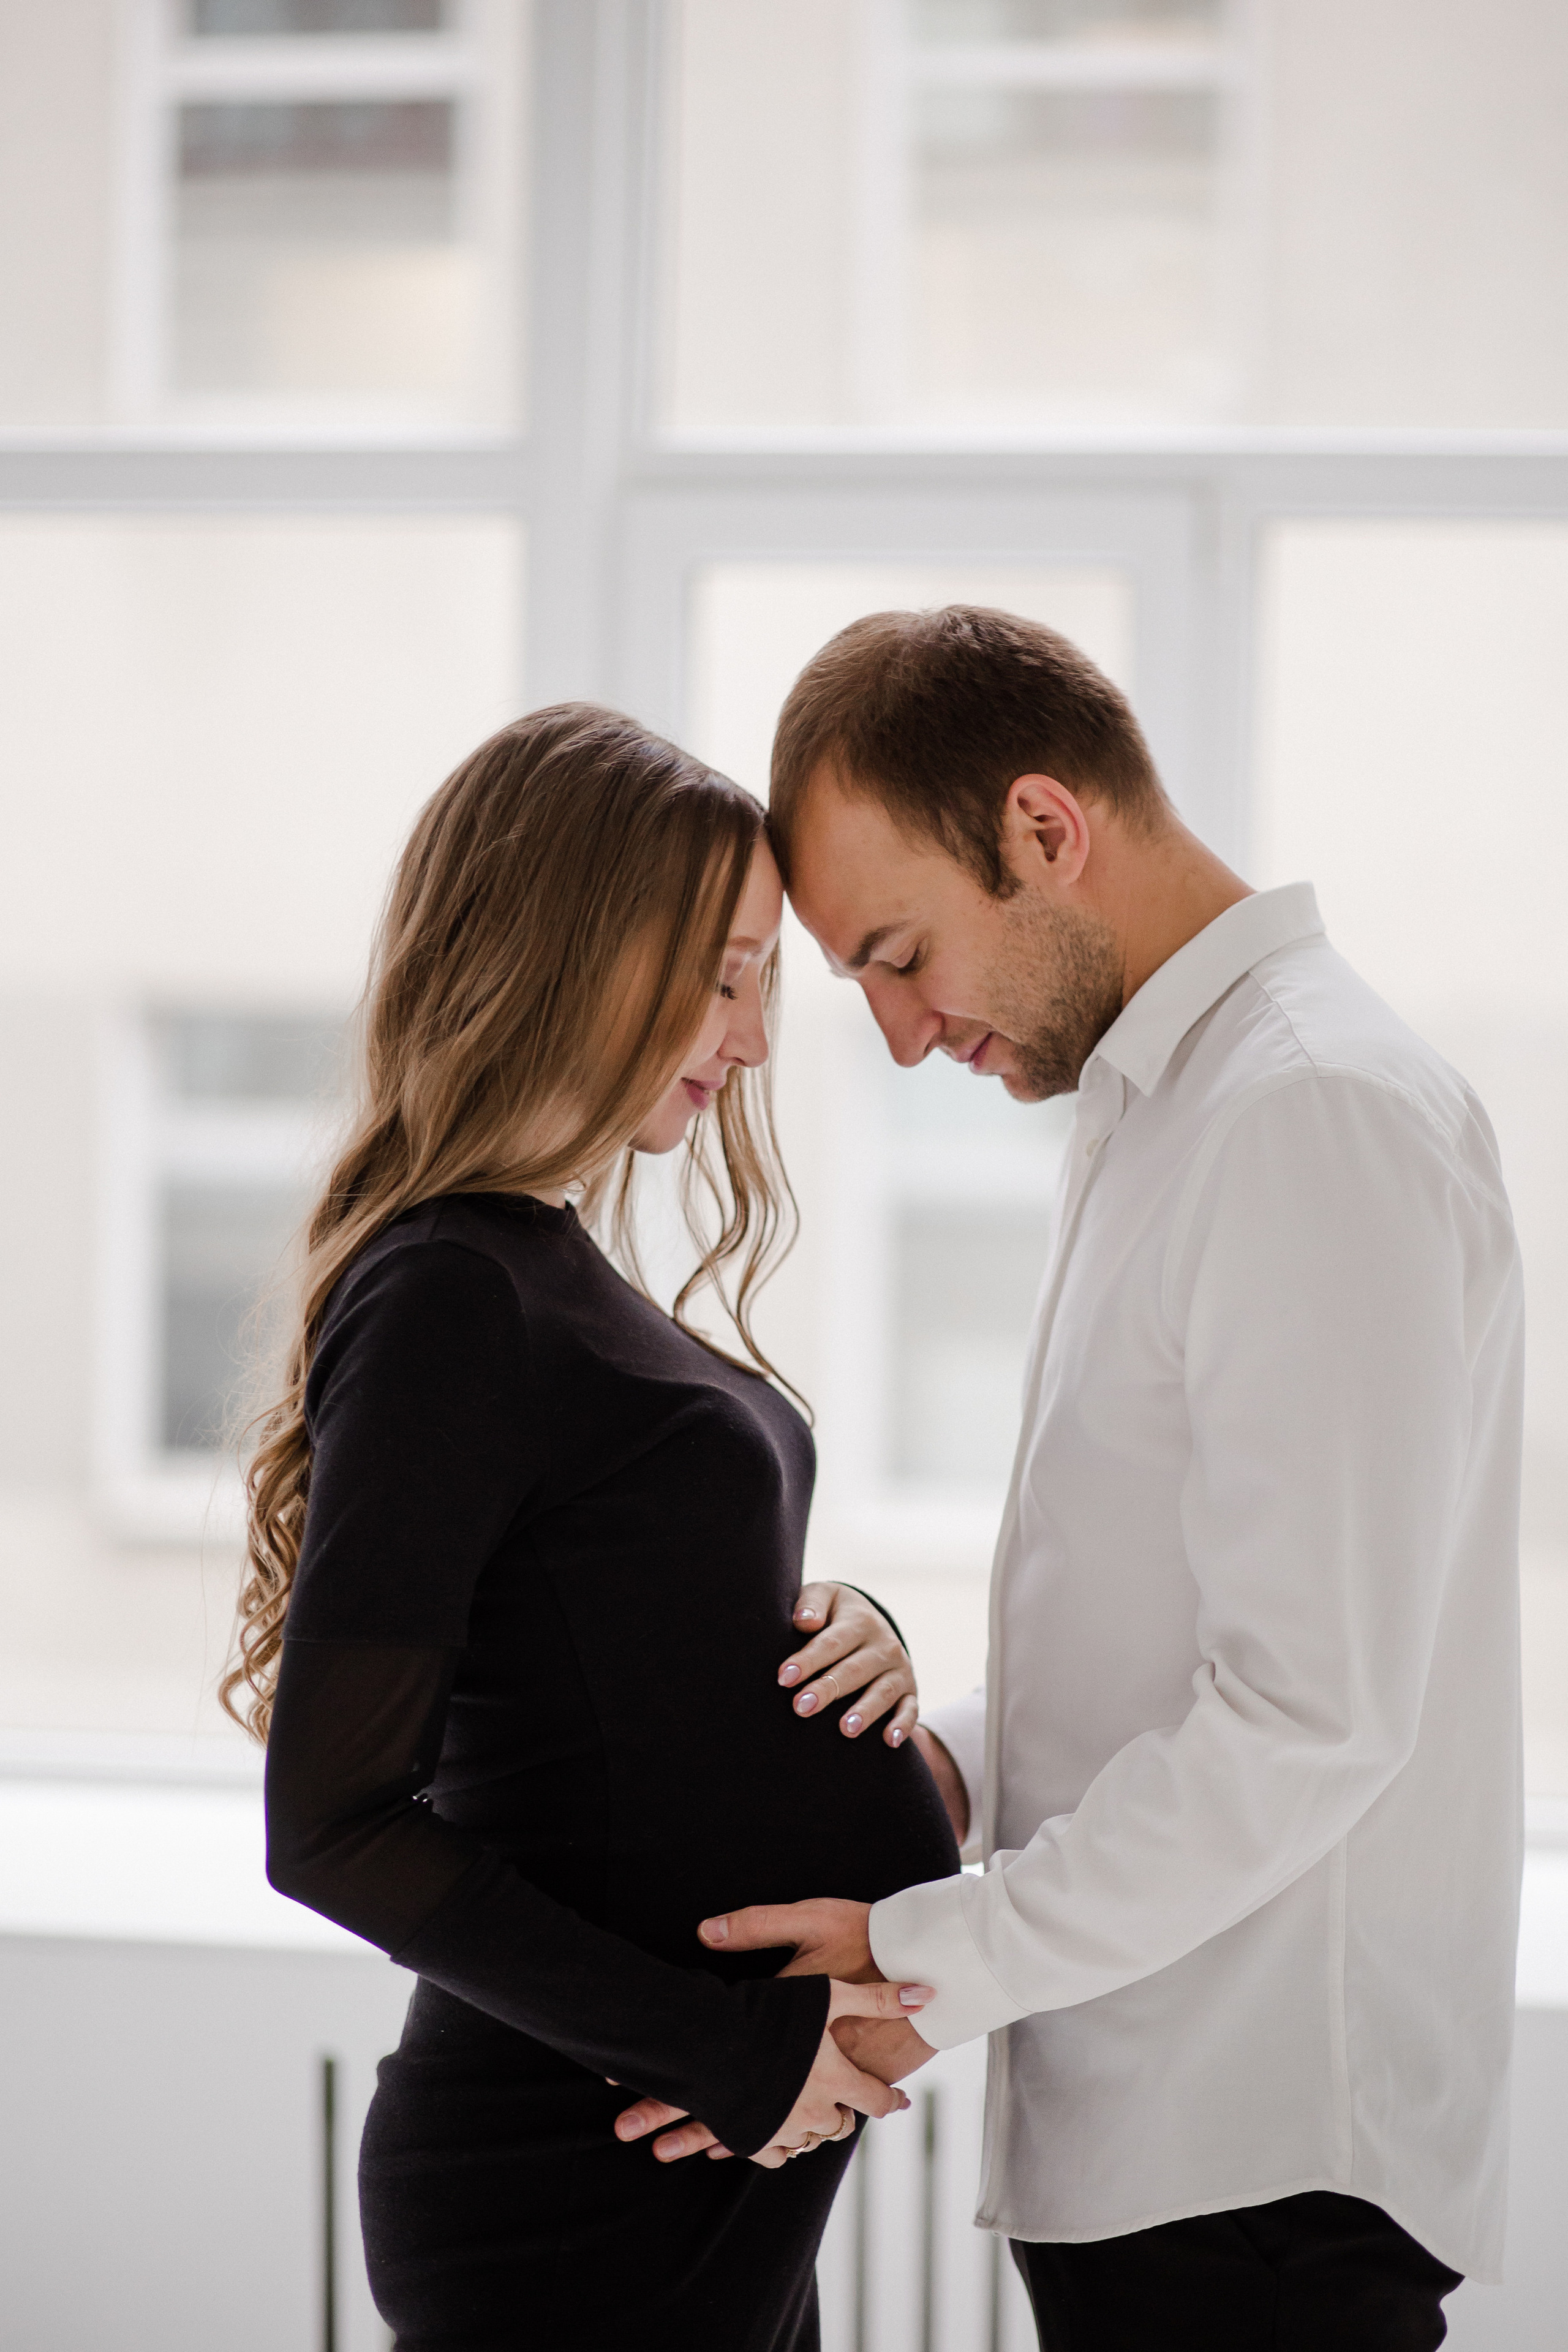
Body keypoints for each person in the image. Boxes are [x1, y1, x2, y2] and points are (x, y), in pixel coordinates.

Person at [616, 609, 1522, 2350]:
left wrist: (917, 1960)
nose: (899, 1038)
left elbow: (1308, 1715)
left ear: (1044, 827)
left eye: (900, 956)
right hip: (1167, 2147)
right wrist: (930, 1766)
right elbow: (1165, 1637)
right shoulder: (1176, 1106)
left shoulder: (1309, 1114)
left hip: (1259, 2167)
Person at [221, 703, 959, 2351]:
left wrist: (846, 1633)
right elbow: (332, 1822)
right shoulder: (449, 1290)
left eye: (760, 983)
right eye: (721, 977)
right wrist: (728, 2051)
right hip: (585, 2170)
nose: (751, 1039)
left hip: (705, 2157)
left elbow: (616, 1638)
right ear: (570, 948)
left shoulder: (537, 1267)